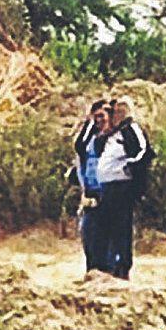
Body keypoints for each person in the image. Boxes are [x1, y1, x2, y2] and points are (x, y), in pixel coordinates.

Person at [94, 96, 150, 280]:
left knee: (122, 226)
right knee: (108, 227)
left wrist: (129, 166)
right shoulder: (111, 134)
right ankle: (110, 265)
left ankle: (123, 265)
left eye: (116, 111)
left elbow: (144, 151)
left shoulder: (131, 129)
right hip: (108, 186)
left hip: (122, 186)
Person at [72, 99, 110, 274]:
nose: (99, 121)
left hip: (110, 193)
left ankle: (110, 275)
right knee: (89, 236)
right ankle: (92, 273)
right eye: (96, 117)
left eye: (102, 116)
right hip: (90, 193)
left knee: (108, 239)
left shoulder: (115, 139)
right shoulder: (89, 140)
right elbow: (79, 147)